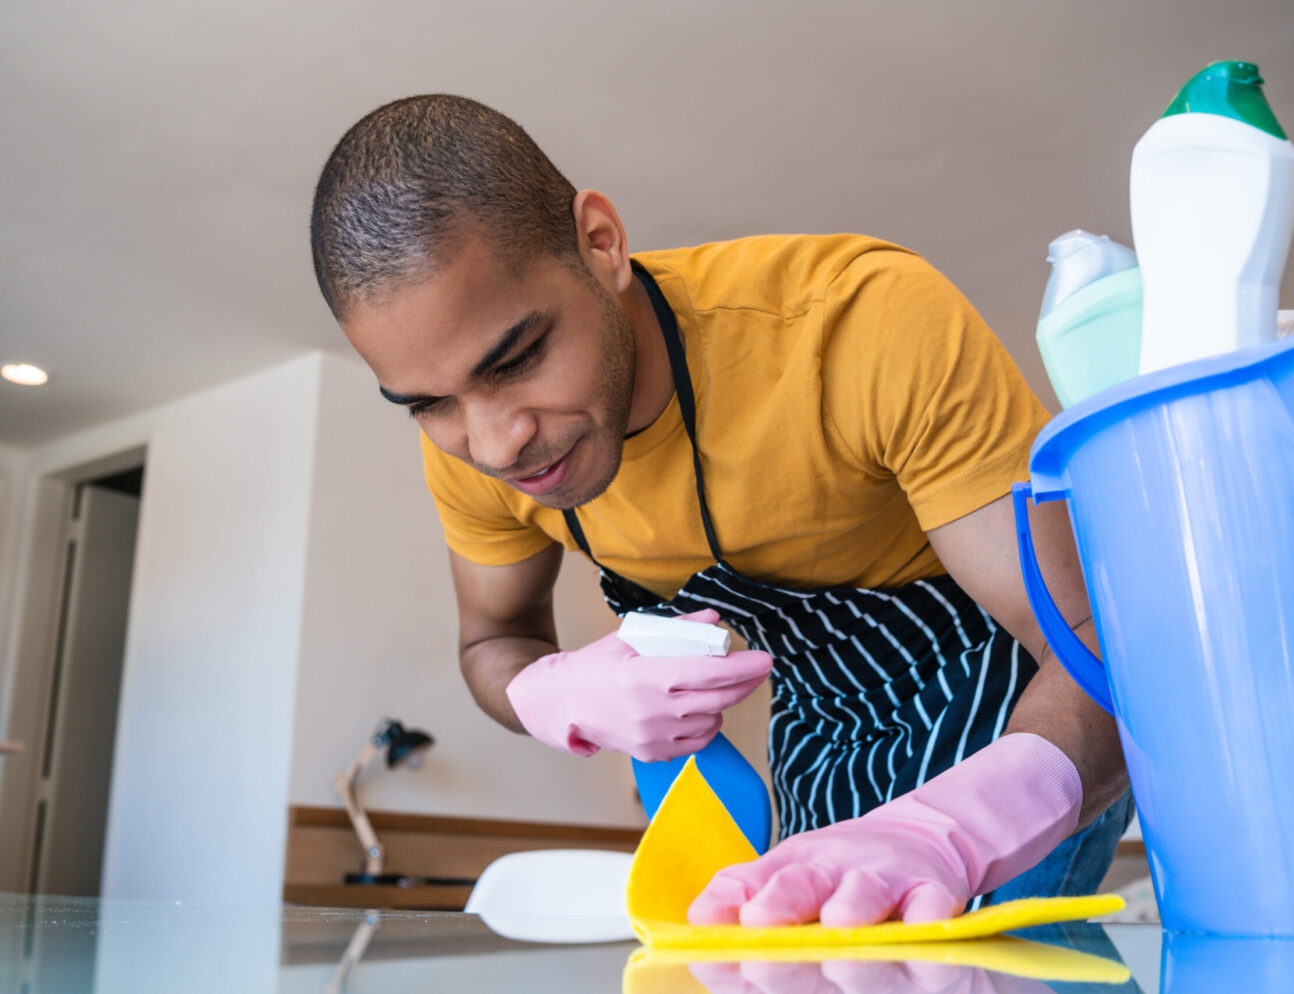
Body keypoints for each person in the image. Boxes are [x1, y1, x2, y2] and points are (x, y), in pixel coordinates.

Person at [309, 94, 1132, 927]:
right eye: (426, 403)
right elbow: (493, 638)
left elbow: (1103, 646)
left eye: (517, 358)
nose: (494, 446)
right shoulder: (475, 446)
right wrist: (541, 691)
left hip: (1014, 713)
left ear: (601, 243)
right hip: (819, 716)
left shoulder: (859, 323)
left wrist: (952, 832)